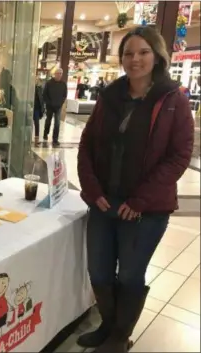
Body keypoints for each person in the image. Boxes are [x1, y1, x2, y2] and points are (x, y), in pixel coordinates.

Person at [77, 26, 194, 353]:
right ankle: (107, 325)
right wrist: (91, 188)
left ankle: (120, 336)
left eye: (143, 52)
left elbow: (179, 156)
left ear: (157, 56)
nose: (135, 59)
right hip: (104, 203)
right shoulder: (110, 95)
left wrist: (140, 200)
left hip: (146, 211)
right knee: (98, 270)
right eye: (128, 53)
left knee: (129, 275)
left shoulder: (173, 99)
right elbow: (87, 144)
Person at [43, 68, 67, 147]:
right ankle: (45, 133)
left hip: (58, 107)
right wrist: (48, 103)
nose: (59, 75)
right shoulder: (49, 83)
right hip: (50, 106)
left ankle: (55, 139)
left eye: (60, 73)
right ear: (55, 74)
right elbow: (45, 94)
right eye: (58, 73)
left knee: (57, 123)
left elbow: (64, 95)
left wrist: (61, 102)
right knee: (48, 121)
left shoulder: (63, 84)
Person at [33, 79, 45, 147]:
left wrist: (42, 109)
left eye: (37, 80)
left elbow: (41, 99)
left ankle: (36, 140)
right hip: (30, 107)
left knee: (37, 123)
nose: (37, 81)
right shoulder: (29, 88)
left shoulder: (40, 88)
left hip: (36, 109)